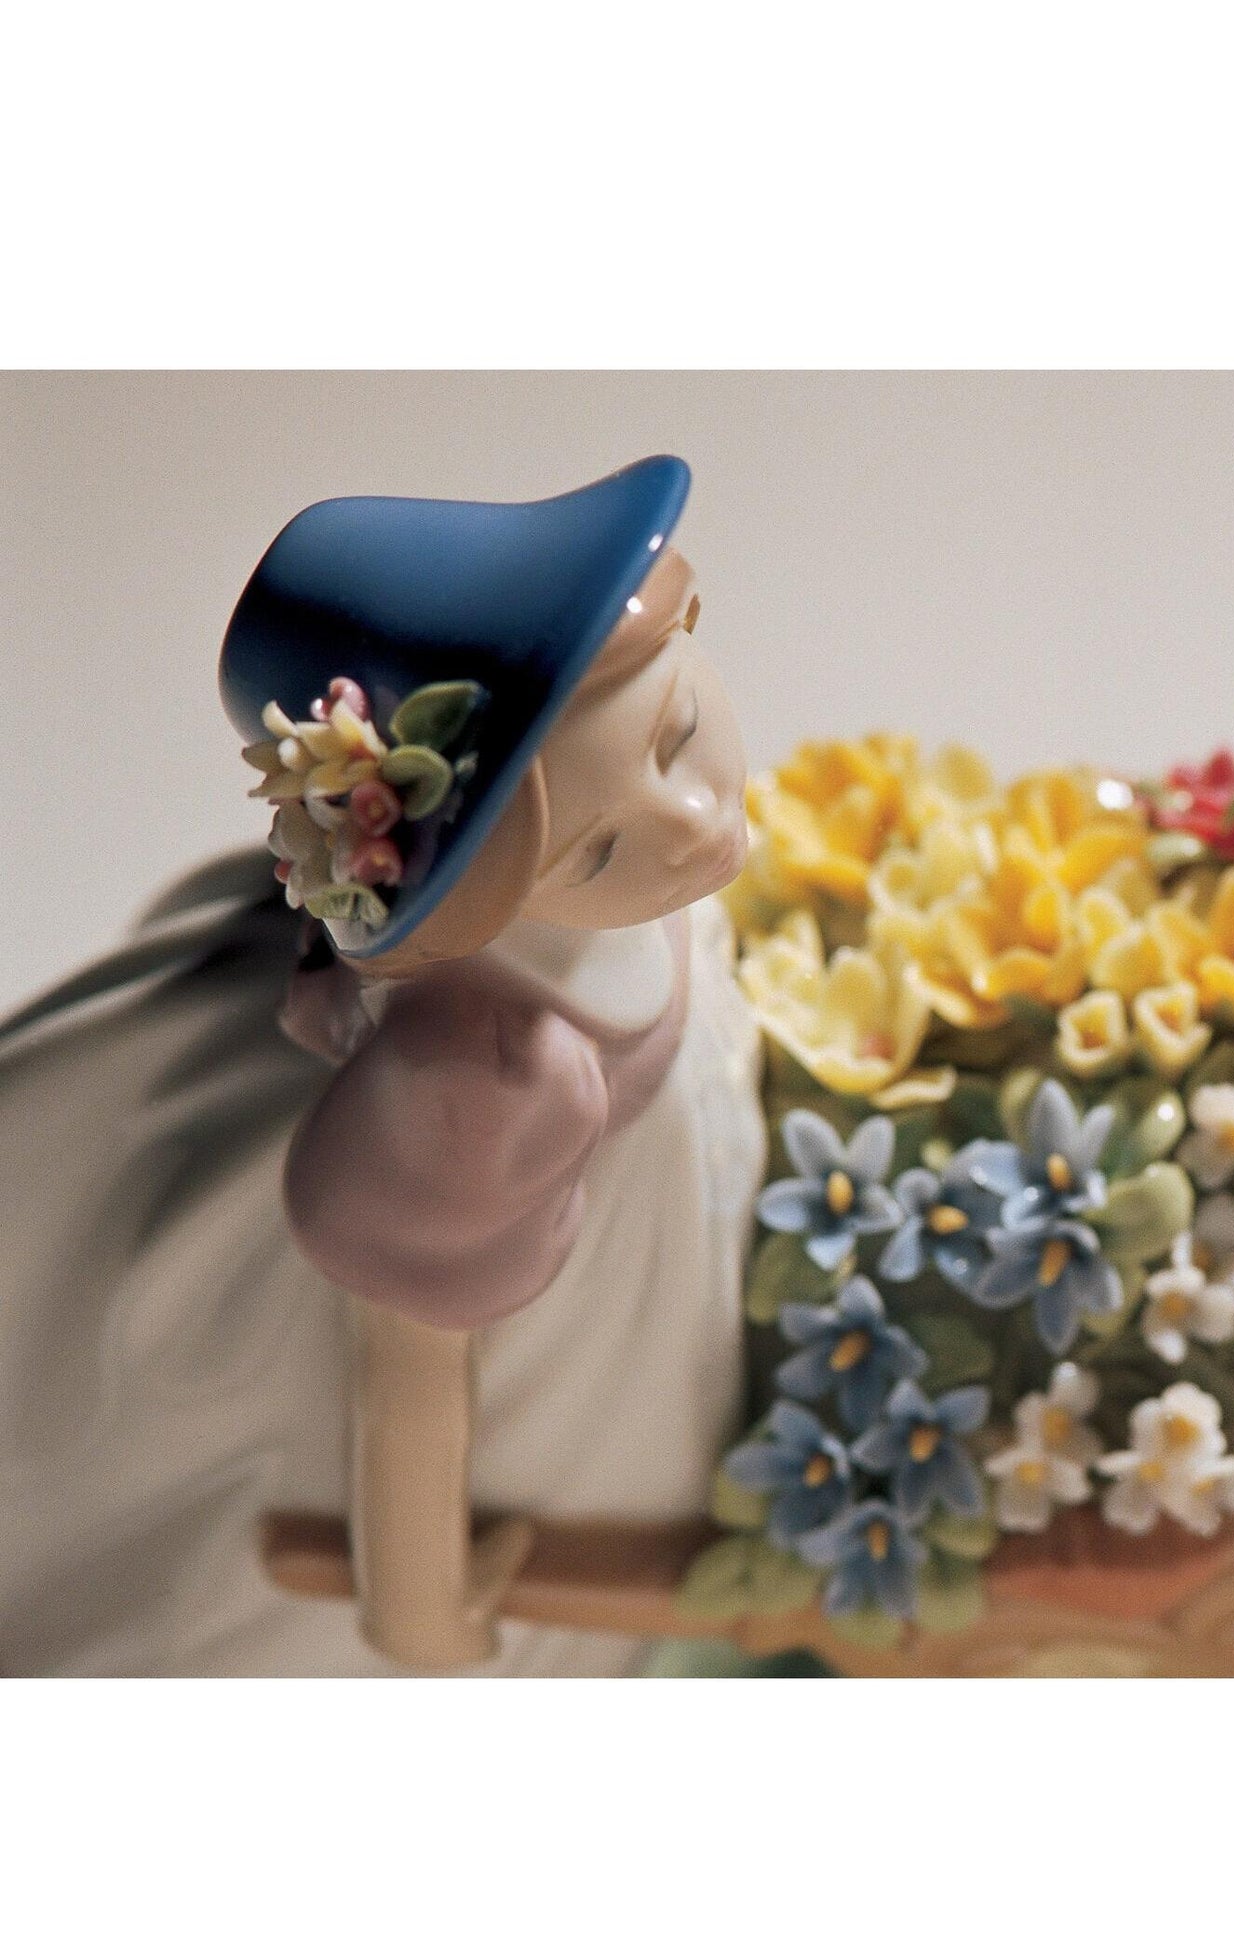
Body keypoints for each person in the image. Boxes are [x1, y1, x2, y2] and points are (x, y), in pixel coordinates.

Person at [0, 457, 767, 1675]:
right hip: (571, 1392)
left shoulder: (641, 893)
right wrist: (417, 1602)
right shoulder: (490, 1072)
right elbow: (411, 1374)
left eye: (676, 731)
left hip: (694, 1268)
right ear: (482, 895)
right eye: (594, 847)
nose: (693, 821)